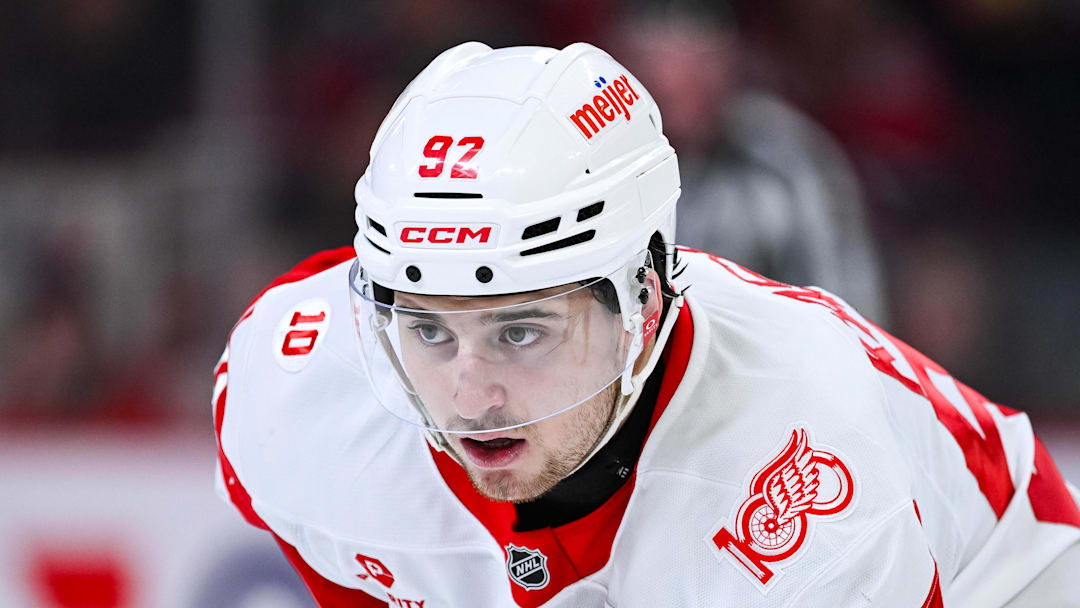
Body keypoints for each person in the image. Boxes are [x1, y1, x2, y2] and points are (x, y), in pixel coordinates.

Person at [213, 42, 1080, 607]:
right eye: (431, 332)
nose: (470, 396)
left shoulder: (801, 477)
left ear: (646, 306)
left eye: (521, 332)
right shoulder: (292, 391)